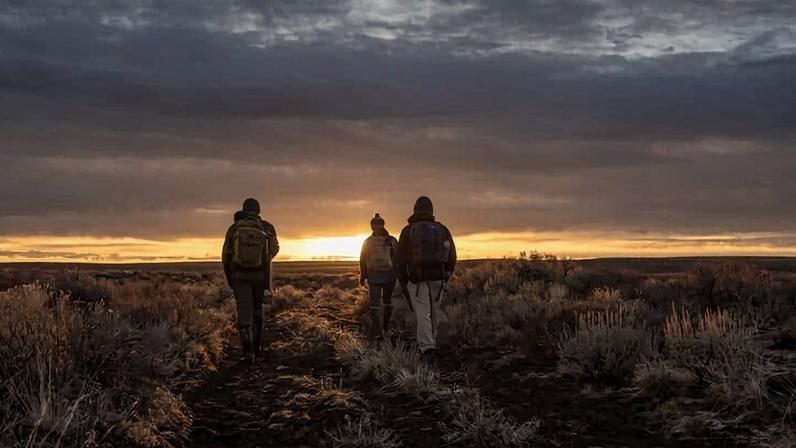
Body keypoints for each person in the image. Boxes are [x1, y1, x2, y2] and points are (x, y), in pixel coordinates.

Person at [396, 196, 456, 355]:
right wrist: (446, 276)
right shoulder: (442, 229)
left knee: (423, 312)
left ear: (415, 210)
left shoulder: (407, 231)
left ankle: (427, 347)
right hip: (438, 277)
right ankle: (433, 341)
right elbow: (452, 256)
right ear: (431, 211)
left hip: (417, 279)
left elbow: (400, 259)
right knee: (434, 310)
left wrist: (403, 280)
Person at [222, 198, 279, 363]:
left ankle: (248, 353)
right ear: (258, 211)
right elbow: (274, 248)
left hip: (239, 277)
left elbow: (226, 256)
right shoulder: (267, 227)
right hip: (260, 276)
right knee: (257, 311)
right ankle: (258, 349)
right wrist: (263, 259)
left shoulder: (234, 228)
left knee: (244, 313)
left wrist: (230, 279)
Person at [359, 214, 399, 344]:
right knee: (387, 301)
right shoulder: (392, 240)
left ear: (372, 226)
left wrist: (363, 276)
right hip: (390, 276)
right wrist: (399, 274)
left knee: (374, 305)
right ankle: (386, 328)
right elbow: (398, 259)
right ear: (383, 224)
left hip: (373, 276)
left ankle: (380, 333)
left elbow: (362, 260)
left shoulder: (367, 241)